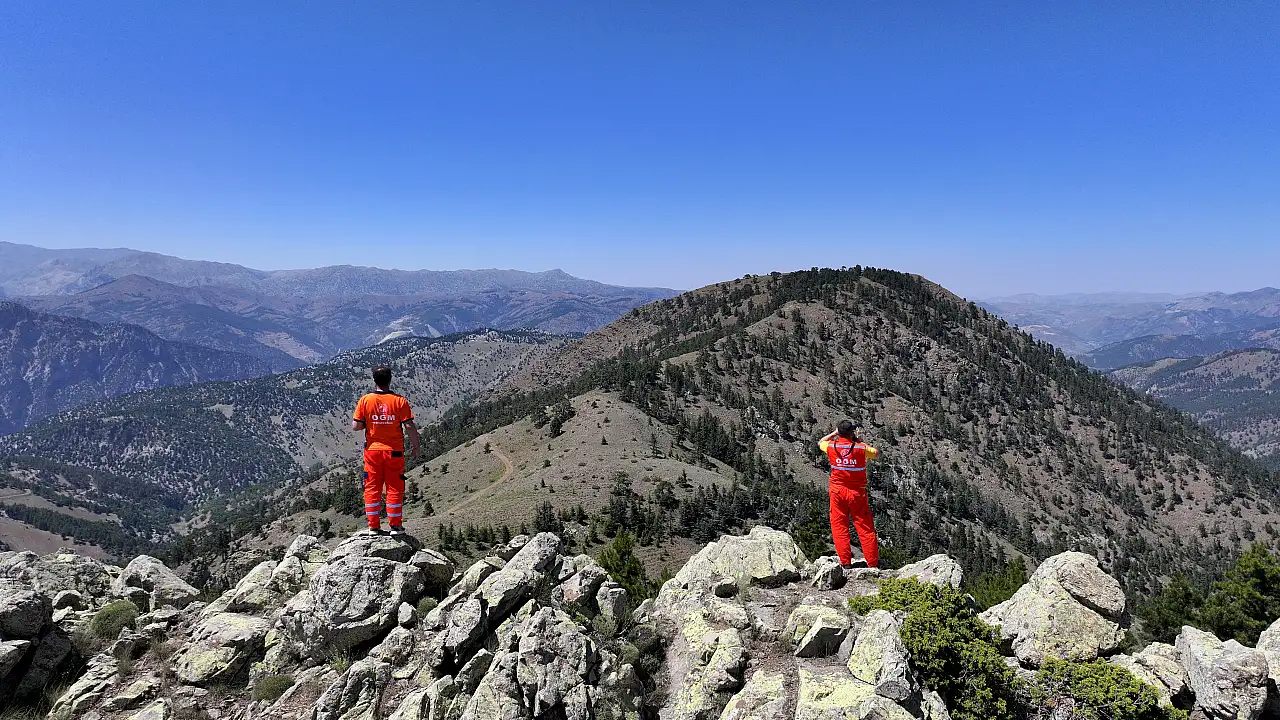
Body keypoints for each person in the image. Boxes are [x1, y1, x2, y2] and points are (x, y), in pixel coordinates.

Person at [351, 365, 420, 536]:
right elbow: (409, 425)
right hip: (394, 452)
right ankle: (395, 526)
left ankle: (373, 527)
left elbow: (356, 426)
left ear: (374, 380)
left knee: (372, 487)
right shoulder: (399, 401)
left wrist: (372, 421)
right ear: (390, 379)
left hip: (373, 451)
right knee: (394, 487)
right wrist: (416, 445)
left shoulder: (365, 400)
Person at [819, 420, 880, 569]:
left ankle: (845, 562)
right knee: (865, 527)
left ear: (839, 432)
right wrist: (858, 439)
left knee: (839, 526)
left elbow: (820, 442)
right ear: (852, 432)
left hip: (837, 492)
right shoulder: (860, 448)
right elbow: (876, 453)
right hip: (857, 493)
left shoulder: (832, 446)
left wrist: (834, 433)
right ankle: (872, 563)